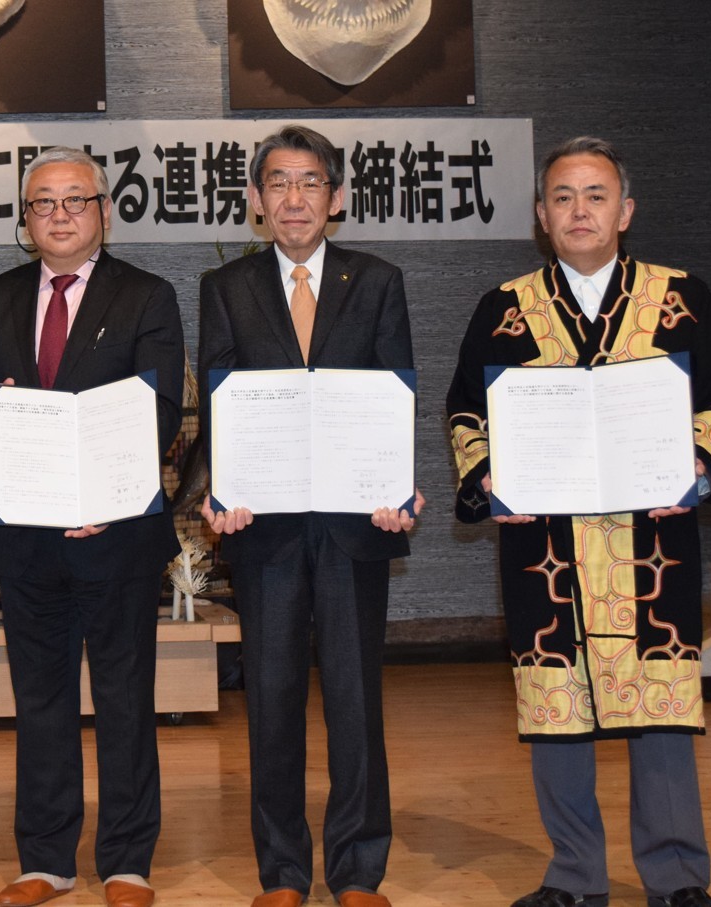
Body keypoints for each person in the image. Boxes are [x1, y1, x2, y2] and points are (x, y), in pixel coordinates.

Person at [445, 136, 711, 907]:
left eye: (594, 195)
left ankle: (676, 877)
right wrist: (488, 475)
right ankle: (574, 876)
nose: (578, 210)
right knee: (554, 708)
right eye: (561, 197)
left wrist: (698, 468)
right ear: (540, 215)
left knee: (661, 706)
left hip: (652, 542)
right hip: (544, 542)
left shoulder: (679, 296)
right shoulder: (504, 308)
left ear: (624, 210)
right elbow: (466, 410)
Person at [0, 146, 184, 907]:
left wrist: (106, 497)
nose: (59, 214)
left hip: (116, 535)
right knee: (41, 699)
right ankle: (46, 860)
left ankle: (126, 861)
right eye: (42, 202)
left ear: (103, 211)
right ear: (25, 219)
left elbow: (159, 411)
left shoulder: (146, 295)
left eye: (74, 199)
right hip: (28, 535)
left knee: (124, 698)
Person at [197, 124, 421, 907]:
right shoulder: (225, 287)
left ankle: (357, 869)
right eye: (278, 183)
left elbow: (395, 390)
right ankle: (283, 871)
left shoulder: (378, 280)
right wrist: (217, 487)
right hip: (263, 526)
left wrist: (400, 485)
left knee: (356, 700)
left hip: (355, 524)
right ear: (255, 200)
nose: (294, 198)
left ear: (337, 197)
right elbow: (219, 400)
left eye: (310, 182)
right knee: (271, 700)